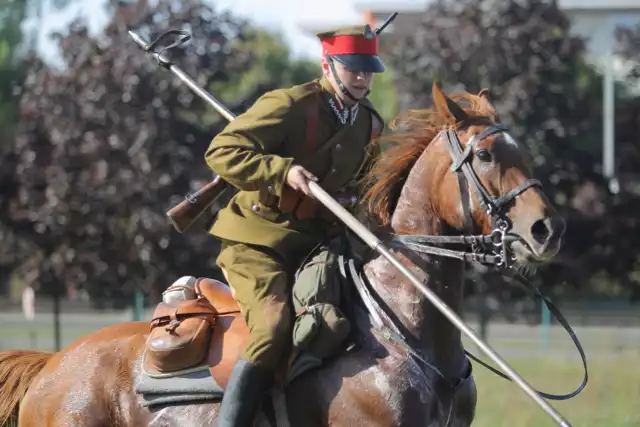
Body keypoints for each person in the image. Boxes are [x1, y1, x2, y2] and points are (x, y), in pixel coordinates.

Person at [204, 24, 387, 427]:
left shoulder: (369, 125)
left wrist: (356, 203)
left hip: (318, 246)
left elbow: (364, 186)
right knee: (273, 328)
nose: (361, 77)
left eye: (367, 70)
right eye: (352, 68)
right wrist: (280, 170)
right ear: (328, 64)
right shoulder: (290, 104)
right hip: (258, 241)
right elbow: (220, 151)